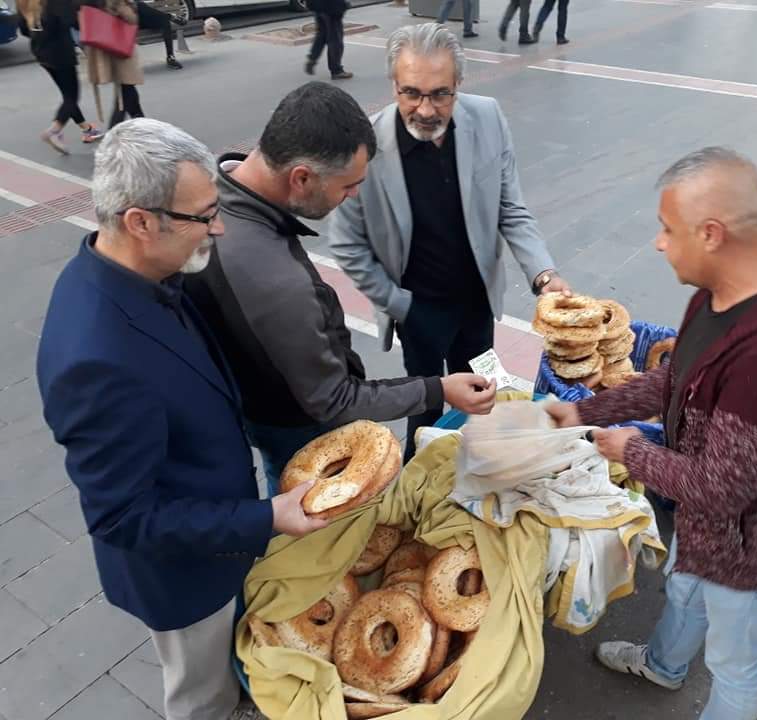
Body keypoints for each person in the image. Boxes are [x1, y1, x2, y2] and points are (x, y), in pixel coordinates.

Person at [548, 147, 757, 720]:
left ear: (712, 233)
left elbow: (723, 489)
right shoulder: (729, 292)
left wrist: (631, 449)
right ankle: (664, 667)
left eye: (668, 229)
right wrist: (588, 413)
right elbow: (679, 379)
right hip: (708, 532)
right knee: (684, 591)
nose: (659, 243)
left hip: (755, 550)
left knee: (735, 665)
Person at [36, 119, 328, 720]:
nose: (217, 227)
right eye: (202, 216)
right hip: (185, 581)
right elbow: (123, 516)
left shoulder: (139, 275)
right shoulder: (96, 356)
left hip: (216, 539)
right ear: (140, 222)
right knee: (203, 698)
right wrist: (264, 516)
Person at [183, 81, 496, 496]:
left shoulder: (214, 189)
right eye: (347, 185)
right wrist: (437, 389)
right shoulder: (275, 281)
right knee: (317, 518)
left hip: (258, 398)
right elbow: (334, 400)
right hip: (298, 429)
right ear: (301, 178)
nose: (352, 196)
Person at [329, 24, 570, 461]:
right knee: (424, 407)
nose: (425, 109)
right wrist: (400, 305)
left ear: (459, 84)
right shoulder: (365, 145)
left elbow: (510, 208)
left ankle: (476, 474)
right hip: (416, 309)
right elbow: (347, 243)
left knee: (480, 397)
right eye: (411, 93)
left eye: (441, 93)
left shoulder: (489, 117)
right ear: (394, 85)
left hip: (476, 301)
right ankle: (419, 485)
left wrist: (544, 274)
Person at [16, 0, 104, 153]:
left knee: (66, 94)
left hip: (41, 53)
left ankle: (87, 128)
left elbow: (24, 30)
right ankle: (54, 131)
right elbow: (71, 21)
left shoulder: (22, 2)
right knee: (72, 97)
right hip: (61, 51)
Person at [82, 0, 146, 128]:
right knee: (125, 89)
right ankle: (116, 129)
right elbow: (130, 18)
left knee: (126, 88)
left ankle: (141, 121)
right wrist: (131, 6)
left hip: (105, 43)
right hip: (118, 44)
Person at [304, 0, 352, 79]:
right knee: (335, 39)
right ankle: (336, 70)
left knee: (321, 36)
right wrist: (342, 5)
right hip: (331, 7)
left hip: (318, 6)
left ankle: (312, 58)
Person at [135, 0, 183, 69]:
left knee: (165, 22)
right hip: (130, 22)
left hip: (141, 19)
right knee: (139, 4)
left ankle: (170, 57)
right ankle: (170, 17)